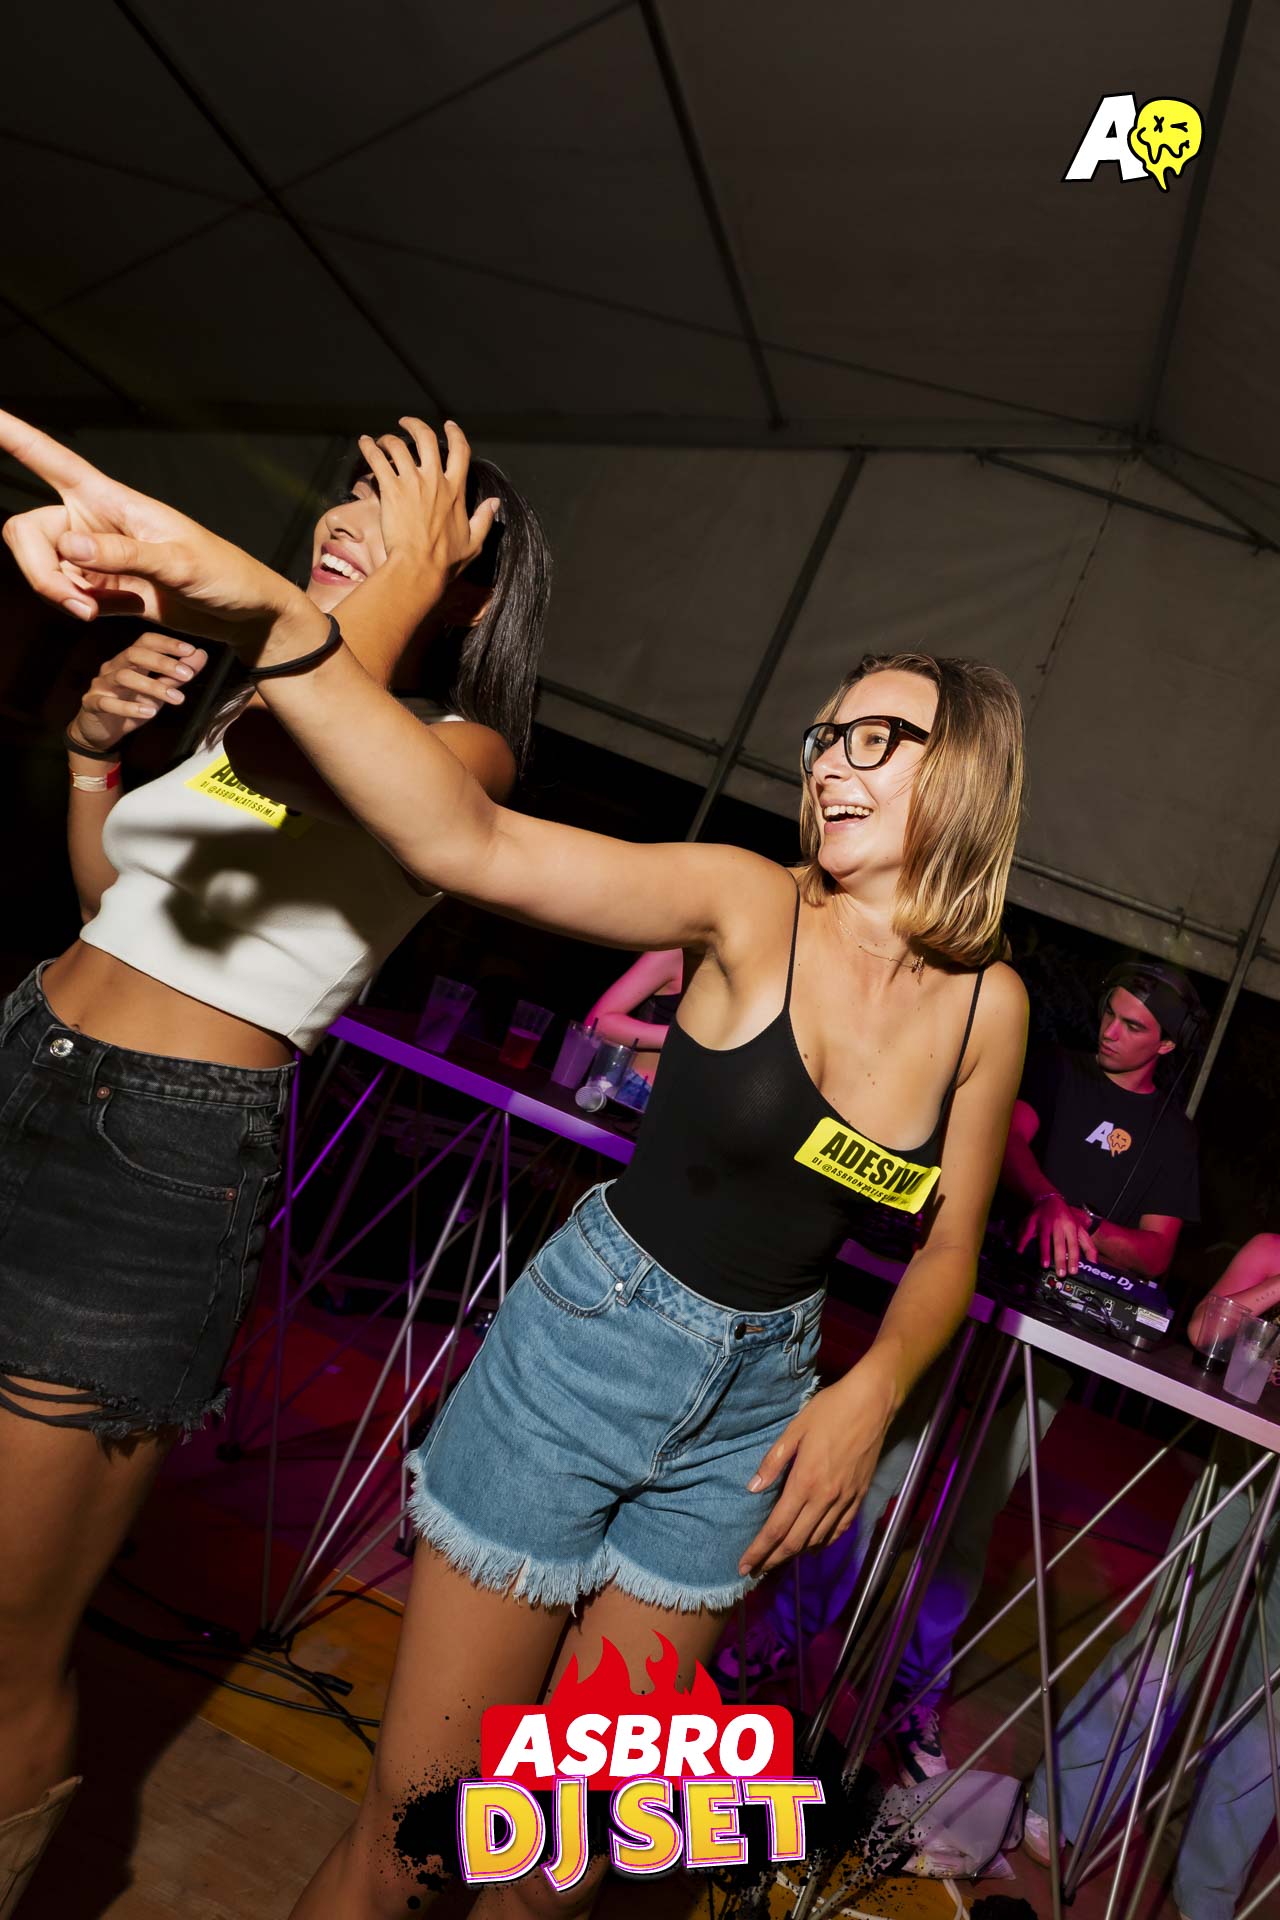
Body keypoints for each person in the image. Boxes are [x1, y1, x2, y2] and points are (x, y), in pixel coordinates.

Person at [0, 409, 1029, 1920]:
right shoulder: (744, 898)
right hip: (590, 1348)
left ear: (972, 775)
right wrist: (269, 620)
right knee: (421, 1834)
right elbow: (465, 842)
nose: (832, 762)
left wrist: (869, 1394)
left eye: (880, 738)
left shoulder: (991, 1007)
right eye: (826, 735)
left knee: (554, 1851)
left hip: (755, 1417)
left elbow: (949, 1244)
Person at [0, 423, 550, 1915]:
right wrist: (92, 756)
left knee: (11, 1634)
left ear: (467, 587)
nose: (350, 516)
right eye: (352, 490)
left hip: (152, 1163)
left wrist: (361, 602)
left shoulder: (455, 750)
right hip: (26, 1050)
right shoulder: (265, 693)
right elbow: (124, 908)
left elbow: (291, 751)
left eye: (401, 507)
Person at [719, 960, 1203, 1790]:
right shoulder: (1054, 1070)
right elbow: (1006, 1140)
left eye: (1133, 1026)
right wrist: (1046, 1199)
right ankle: (787, 1629)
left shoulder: (1172, 1137)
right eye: (1111, 1013)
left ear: (1166, 1046)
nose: (1111, 1031)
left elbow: (1157, 1249)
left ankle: (911, 1691)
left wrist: (1081, 1231)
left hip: (1053, 1342)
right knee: (877, 1473)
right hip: (964, 1296)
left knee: (970, 1520)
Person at [1023, 1241, 1280, 1920]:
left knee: (1273, 1715)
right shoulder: (1270, 1250)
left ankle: (1209, 1889)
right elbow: (1205, 1333)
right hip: (1247, 1466)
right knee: (1167, 1647)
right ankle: (1064, 1804)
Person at [583, 948, 683, 1110]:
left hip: (698, 1108)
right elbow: (599, 1022)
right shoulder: (677, 953)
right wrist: (683, 1038)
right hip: (641, 1094)